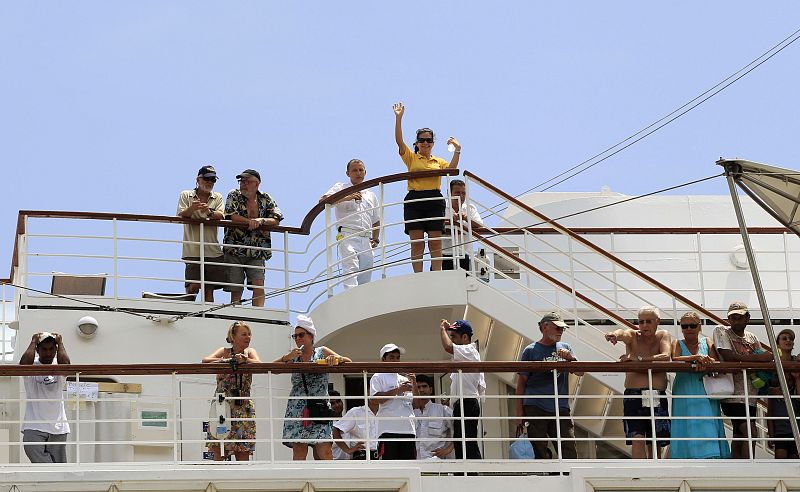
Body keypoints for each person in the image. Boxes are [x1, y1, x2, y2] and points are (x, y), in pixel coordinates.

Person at [393, 102, 461, 272]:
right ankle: (418, 275)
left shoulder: (439, 161)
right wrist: (399, 118)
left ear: (433, 143)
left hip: (434, 200)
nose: (425, 143)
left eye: (428, 140)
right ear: (417, 143)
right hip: (414, 200)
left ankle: (436, 273)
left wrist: (457, 150)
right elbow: (399, 141)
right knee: (417, 242)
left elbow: (451, 170)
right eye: (422, 140)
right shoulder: (411, 158)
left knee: (435, 241)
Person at [276, 315, 351, 461]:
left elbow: (348, 361)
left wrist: (336, 359)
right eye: (295, 336)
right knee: (299, 450)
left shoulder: (322, 352)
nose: (297, 338)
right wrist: (286, 357)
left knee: (325, 450)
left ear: (311, 336)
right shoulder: (293, 356)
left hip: (319, 406)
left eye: (301, 335)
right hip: (297, 408)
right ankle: (301, 477)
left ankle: (328, 476)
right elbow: (273, 369)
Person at [604, 306, 672, 459]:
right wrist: (614, 334)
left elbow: (666, 356)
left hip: (656, 394)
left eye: (648, 321)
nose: (644, 325)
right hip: (634, 395)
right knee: (637, 437)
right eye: (641, 322)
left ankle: (656, 469)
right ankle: (639, 470)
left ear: (658, 321)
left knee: (656, 440)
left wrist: (639, 360)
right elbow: (623, 333)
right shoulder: (634, 335)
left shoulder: (663, 335)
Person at [712, 301, 773, 459]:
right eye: (732, 317)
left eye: (739, 317)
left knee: (739, 434)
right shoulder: (721, 331)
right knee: (751, 432)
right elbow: (728, 356)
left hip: (750, 394)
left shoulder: (752, 337)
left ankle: (736, 465)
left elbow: (766, 358)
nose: (736, 321)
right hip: (731, 394)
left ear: (747, 318)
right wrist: (757, 359)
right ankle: (749, 466)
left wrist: (746, 360)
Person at [515, 312, 579, 459]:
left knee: (568, 449)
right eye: (557, 328)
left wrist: (571, 358)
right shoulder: (530, 350)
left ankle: (566, 473)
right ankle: (545, 473)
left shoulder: (566, 348)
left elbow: (580, 372)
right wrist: (519, 412)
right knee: (539, 450)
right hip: (535, 406)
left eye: (562, 328)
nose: (560, 331)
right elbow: (521, 382)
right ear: (545, 327)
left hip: (560, 406)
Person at [670, 311, 730, 459]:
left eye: (692, 325)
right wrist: (695, 358)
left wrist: (705, 362)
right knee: (686, 420)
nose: (688, 329)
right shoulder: (677, 343)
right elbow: (675, 358)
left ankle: (711, 456)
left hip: (705, 386)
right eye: (684, 326)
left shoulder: (707, 341)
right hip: (684, 387)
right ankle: (686, 457)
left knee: (707, 419)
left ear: (699, 326)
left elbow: (714, 360)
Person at [202, 321, 262, 461]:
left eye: (249, 334)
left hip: (243, 405)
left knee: (243, 451)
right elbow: (205, 361)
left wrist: (245, 360)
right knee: (219, 448)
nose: (248, 337)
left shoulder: (250, 352)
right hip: (223, 404)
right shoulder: (224, 352)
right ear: (233, 337)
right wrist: (229, 361)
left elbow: (260, 364)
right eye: (244, 334)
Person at [223, 169, 284, 307]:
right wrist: (250, 222)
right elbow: (231, 215)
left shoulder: (265, 198)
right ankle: (235, 312)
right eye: (241, 181)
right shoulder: (234, 194)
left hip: (257, 249)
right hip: (235, 248)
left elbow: (276, 218)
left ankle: (258, 312)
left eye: (247, 182)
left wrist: (261, 220)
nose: (243, 184)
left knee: (258, 283)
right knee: (236, 286)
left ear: (257, 184)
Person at [319, 159, 381, 289]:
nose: (358, 173)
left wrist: (375, 239)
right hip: (348, 234)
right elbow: (323, 200)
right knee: (350, 269)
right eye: (354, 170)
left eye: (361, 170)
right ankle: (351, 297)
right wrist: (347, 197)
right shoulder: (341, 187)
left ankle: (362, 300)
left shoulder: (371, 195)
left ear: (365, 172)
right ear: (348, 173)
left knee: (365, 274)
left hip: (366, 238)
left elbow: (376, 220)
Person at [19, 332, 71, 463]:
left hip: (58, 426)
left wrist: (60, 343)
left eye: (51, 349)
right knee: (33, 451)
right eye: (44, 349)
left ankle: (54, 475)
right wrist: (33, 341)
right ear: (37, 350)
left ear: (56, 350)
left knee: (59, 465)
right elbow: (23, 366)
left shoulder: (58, 364)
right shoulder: (32, 365)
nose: (48, 353)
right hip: (34, 425)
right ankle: (52, 473)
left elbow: (67, 366)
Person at [177, 165, 226, 302]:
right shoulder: (186, 195)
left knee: (209, 289)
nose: (210, 182)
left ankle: (209, 313)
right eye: (207, 179)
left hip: (212, 250)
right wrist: (192, 208)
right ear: (198, 179)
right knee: (192, 286)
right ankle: (188, 311)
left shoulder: (217, 197)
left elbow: (221, 215)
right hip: (193, 249)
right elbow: (181, 215)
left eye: (213, 180)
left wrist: (209, 212)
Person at [439, 319, 485, 460]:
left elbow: (448, 347)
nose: (452, 339)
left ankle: (474, 471)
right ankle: (466, 470)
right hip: (463, 403)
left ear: (465, 337)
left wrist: (442, 329)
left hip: (467, 402)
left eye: (454, 336)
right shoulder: (464, 355)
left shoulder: (469, 350)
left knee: (467, 443)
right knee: (460, 442)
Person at [370, 343, 418, 459]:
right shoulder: (378, 376)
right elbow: (375, 399)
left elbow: (416, 404)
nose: (396, 360)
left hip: (408, 429)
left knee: (408, 466)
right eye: (392, 357)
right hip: (388, 429)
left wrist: (414, 383)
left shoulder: (405, 379)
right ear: (383, 359)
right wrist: (398, 390)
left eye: (397, 357)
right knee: (390, 466)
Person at [766, 328, 800, 459]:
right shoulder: (772, 366)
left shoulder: (797, 363)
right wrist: (770, 432)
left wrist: (797, 378)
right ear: (778, 344)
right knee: (780, 458)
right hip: (780, 426)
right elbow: (770, 406)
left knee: (795, 461)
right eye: (784, 338)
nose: (788, 340)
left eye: (791, 338)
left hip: (797, 424)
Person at [442, 179, 483, 271]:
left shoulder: (470, 208)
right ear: (449, 193)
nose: (461, 196)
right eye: (457, 193)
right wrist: (449, 220)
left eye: (463, 193)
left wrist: (465, 218)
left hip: (464, 255)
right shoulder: (441, 208)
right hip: (443, 255)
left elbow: (480, 225)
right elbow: (433, 224)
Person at [413, 375, 454, 460]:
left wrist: (447, 450)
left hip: (436, 462)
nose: (421, 390)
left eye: (424, 386)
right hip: (415, 463)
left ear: (430, 390)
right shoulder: (410, 414)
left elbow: (461, 429)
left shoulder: (442, 410)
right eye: (418, 387)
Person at [328, 390, 347, 460]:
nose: (337, 405)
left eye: (338, 401)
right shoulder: (327, 427)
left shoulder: (349, 421)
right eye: (332, 403)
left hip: (352, 464)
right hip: (333, 464)